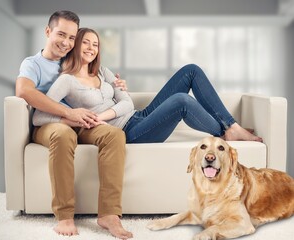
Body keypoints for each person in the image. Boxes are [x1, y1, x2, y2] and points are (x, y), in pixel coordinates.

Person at [33, 27, 262, 145]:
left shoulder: (103, 72)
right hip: (130, 133)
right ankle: (224, 132)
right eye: (86, 43)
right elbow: (38, 118)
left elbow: (126, 102)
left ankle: (230, 126)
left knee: (191, 70)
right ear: (75, 45)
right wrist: (70, 118)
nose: (92, 48)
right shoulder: (66, 80)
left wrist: (101, 116)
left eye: (96, 44)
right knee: (181, 101)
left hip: (138, 116)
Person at [16, 11, 133, 239]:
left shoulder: (73, 58)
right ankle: (64, 215)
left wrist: (116, 82)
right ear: (48, 32)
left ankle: (109, 214)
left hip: (82, 121)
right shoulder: (33, 64)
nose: (66, 43)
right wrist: (67, 114)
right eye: (61, 35)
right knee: (62, 134)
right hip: (51, 122)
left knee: (114, 135)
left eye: (71, 38)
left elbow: (97, 76)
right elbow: (24, 91)